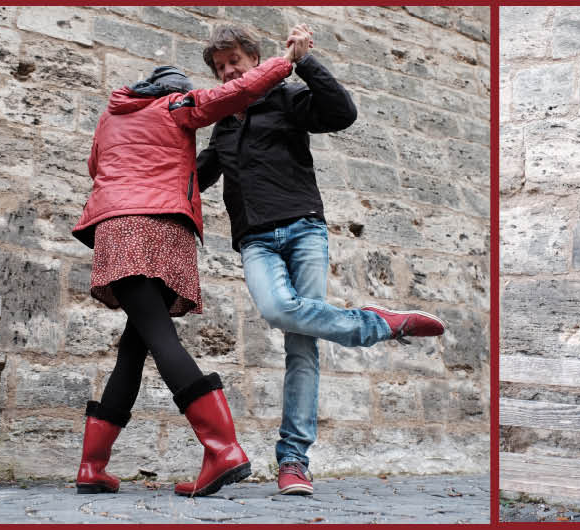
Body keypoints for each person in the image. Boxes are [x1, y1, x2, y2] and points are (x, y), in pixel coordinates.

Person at [193, 24, 446, 496]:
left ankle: (293, 462)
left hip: (304, 228)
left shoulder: (286, 97)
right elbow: (197, 176)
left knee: (302, 347)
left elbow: (341, 113)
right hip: (256, 240)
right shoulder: (223, 124)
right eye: (220, 67)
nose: (228, 72)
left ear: (254, 60)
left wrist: (303, 62)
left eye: (235, 63)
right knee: (276, 309)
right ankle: (379, 324)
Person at [69, 24, 309, 498]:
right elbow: (237, 91)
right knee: (161, 338)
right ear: (176, 90)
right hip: (159, 227)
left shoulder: (110, 116)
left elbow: (96, 166)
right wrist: (286, 63)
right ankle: (222, 448)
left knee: (134, 349)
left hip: (115, 228)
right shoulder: (178, 104)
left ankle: (92, 467)